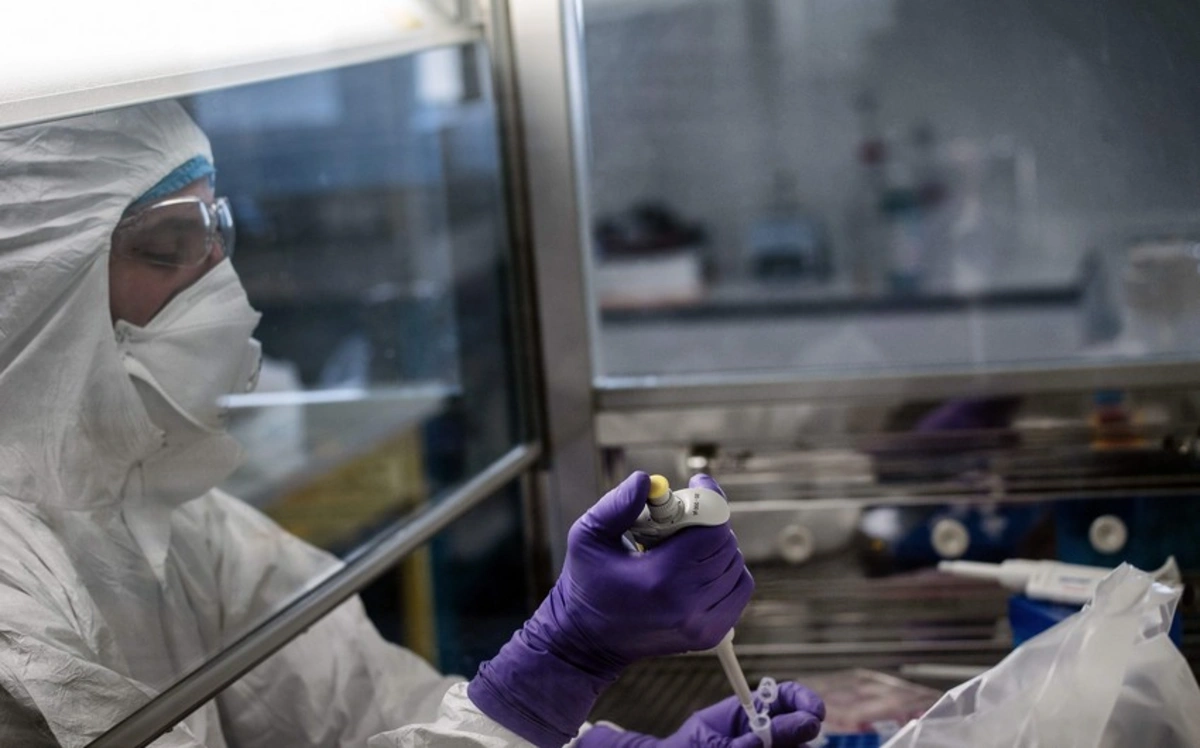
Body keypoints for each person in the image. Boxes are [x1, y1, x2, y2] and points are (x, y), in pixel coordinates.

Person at [0, 101, 825, 747]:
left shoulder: (167, 515)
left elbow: (367, 705)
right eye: (168, 246)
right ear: (35, 288)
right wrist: (558, 664)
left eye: (220, 236)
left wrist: (589, 742)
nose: (221, 289)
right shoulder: (15, 594)